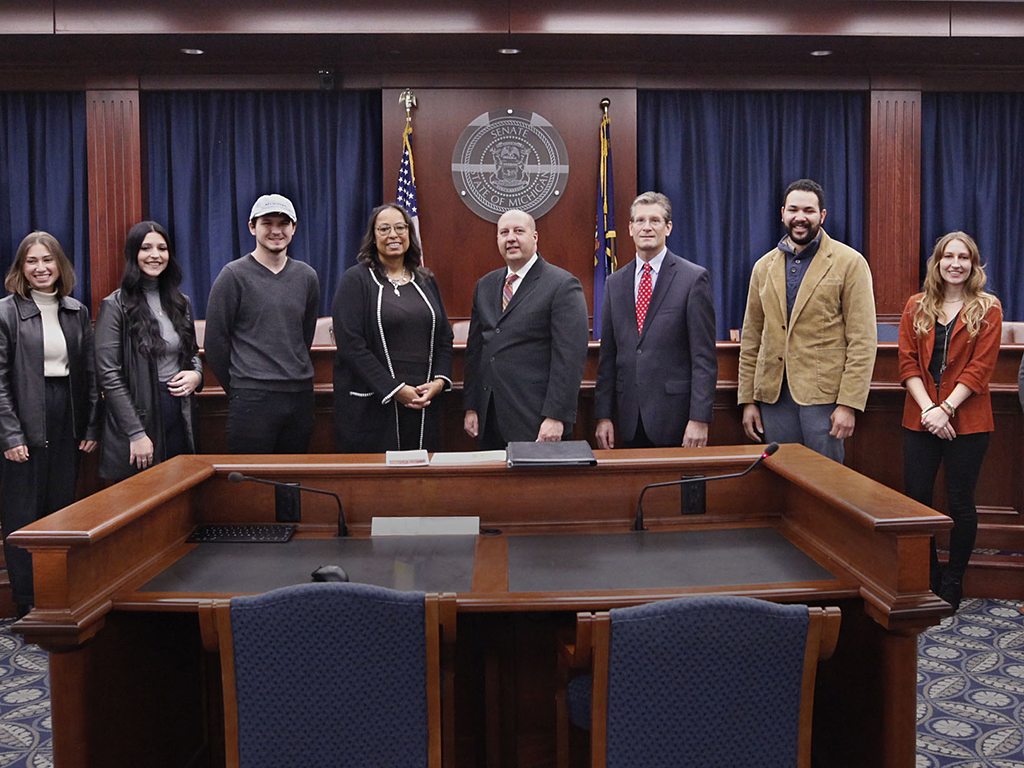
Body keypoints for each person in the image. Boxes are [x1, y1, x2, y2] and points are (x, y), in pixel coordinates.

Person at [738, 178, 877, 463]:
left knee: (827, 483)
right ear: (782, 213)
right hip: (774, 397)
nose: (800, 217)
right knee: (783, 481)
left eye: (809, 211)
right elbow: (752, 336)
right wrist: (748, 400)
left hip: (824, 398)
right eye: (793, 210)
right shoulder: (763, 267)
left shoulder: (850, 262)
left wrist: (849, 404)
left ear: (822, 216)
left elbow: (863, 340)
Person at [898, 232, 1001, 611]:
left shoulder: (988, 308)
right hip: (920, 419)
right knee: (917, 502)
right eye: (948, 256)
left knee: (960, 503)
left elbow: (980, 369)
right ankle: (929, 577)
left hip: (968, 422)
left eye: (963, 257)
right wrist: (930, 410)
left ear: (973, 265)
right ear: (937, 262)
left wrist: (947, 409)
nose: (955, 263)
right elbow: (907, 363)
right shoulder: (916, 305)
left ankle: (954, 581)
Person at [0, 232, 101, 617]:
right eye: (31, 261)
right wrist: (10, 433)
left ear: (60, 265)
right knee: (22, 514)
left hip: (67, 418)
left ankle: (57, 597)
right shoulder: (6, 312)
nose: (40, 268)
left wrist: (91, 427)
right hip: (23, 417)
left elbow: (91, 375)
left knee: (62, 510)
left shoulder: (75, 310)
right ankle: (28, 602)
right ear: (21, 269)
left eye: (48, 260)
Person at [595, 192, 717, 449]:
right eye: (640, 221)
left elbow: (703, 358)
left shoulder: (693, 279)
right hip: (627, 420)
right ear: (630, 228)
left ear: (668, 227)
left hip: (677, 420)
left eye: (655, 220)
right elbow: (608, 357)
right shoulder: (614, 284)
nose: (647, 227)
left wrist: (699, 419)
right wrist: (603, 416)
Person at [332, 204, 454, 452]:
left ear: (409, 233)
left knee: (421, 486)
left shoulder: (425, 281)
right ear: (372, 236)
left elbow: (444, 338)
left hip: (422, 403)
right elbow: (351, 346)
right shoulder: (356, 280)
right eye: (384, 228)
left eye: (400, 227)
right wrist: (395, 390)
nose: (393, 235)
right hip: (374, 407)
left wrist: (439, 382)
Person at [204, 193, 320, 454]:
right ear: (252, 227)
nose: (276, 230)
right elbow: (214, 343)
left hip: (299, 396)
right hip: (251, 398)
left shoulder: (307, 276)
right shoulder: (233, 275)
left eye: (283, 223)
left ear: (294, 228)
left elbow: (304, 336)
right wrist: (240, 387)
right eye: (267, 223)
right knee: (251, 489)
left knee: (292, 484)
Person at [463, 209, 589, 448]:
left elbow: (569, 359)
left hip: (537, 419)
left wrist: (556, 416)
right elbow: (476, 351)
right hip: (489, 418)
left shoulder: (562, 285)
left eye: (519, 231)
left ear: (535, 237)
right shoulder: (485, 285)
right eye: (504, 233)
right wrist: (471, 406)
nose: (511, 238)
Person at [94, 221, 203, 481]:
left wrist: (196, 376)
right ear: (134, 254)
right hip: (139, 416)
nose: (155, 255)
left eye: (162, 248)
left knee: (177, 496)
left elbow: (192, 354)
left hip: (179, 411)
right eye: (146, 248)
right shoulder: (115, 305)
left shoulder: (181, 302)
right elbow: (108, 374)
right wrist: (136, 433)